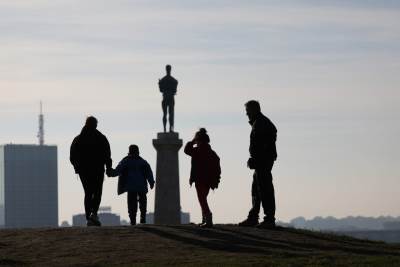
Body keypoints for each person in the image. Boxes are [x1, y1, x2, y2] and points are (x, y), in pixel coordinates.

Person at [238, 100, 278, 229]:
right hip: (262, 161)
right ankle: (254, 217)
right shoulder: (260, 122)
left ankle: (268, 219)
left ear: (254, 110)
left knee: (264, 188)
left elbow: (263, 145)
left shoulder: (261, 123)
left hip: (263, 161)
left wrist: (256, 159)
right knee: (257, 188)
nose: (247, 114)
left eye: (248, 111)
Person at [70, 116, 112, 227]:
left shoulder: (78, 139)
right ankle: (94, 214)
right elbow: (107, 155)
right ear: (96, 124)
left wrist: (77, 168)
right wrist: (108, 168)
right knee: (97, 192)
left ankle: (89, 217)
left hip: (84, 171)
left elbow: (72, 156)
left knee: (88, 193)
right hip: (98, 170)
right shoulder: (101, 138)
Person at [107, 145, 155, 226]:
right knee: (143, 201)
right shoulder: (143, 162)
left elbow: (118, 170)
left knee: (131, 203)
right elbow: (149, 173)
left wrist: (110, 173)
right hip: (141, 186)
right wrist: (151, 182)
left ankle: (133, 220)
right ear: (138, 152)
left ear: (129, 152)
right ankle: (143, 217)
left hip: (130, 186)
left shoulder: (125, 161)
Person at [184, 128, 221, 228]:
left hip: (200, 179)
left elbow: (186, 150)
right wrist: (216, 180)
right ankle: (205, 219)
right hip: (209, 180)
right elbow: (218, 169)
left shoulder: (197, 151)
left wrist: (192, 141)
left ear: (198, 140)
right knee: (203, 199)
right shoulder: (213, 154)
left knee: (202, 200)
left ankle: (208, 220)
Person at [158, 64, 178, 132]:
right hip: (170, 98)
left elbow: (161, 90)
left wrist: (160, 84)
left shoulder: (163, 80)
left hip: (165, 97)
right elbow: (175, 90)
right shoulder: (174, 80)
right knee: (170, 114)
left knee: (166, 114)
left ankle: (166, 129)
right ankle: (169, 128)